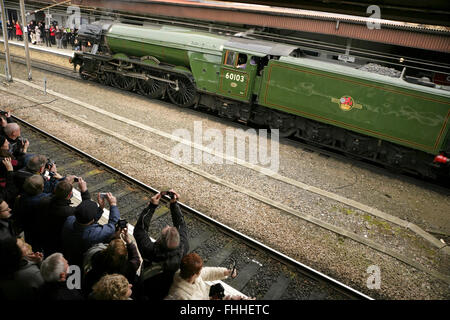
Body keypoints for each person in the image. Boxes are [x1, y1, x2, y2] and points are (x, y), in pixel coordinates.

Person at [133, 189, 189, 299]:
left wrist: (152, 206)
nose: (168, 226)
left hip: (146, 288)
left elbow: (140, 229)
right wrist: (174, 204)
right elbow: (181, 225)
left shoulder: (149, 250)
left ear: (159, 241)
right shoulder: (183, 248)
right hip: (166, 290)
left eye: (166, 229)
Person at [61, 192, 120, 266]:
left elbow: (87, 220)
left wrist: (100, 208)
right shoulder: (95, 234)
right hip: (82, 263)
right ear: (92, 219)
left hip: (68, 255)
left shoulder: (69, 220)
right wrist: (113, 205)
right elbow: (113, 225)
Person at [39, 176, 89, 257]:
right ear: (70, 195)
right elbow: (86, 209)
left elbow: (53, 195)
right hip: (57, 241)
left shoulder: (44, 200)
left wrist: (65, 184)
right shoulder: (69, 212)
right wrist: (84, 191)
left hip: (43, 233)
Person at [83, 230, 141, 297]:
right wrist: (129, 242)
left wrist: (115, 237)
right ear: (125, 256)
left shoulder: (96, 257)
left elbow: (110, 251)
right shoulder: (128, 268)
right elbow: (136, 259)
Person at [165, 252, 237, 300]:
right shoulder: (179, 296)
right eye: (200, 270)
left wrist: (226, 272)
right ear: (194, 275)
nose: (201, 271)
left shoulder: (186, 273)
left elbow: (208, 272)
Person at [14, 175, 52, 252]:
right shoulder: (45, 200)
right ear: (42, 187)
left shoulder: (22, 197)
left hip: (28, 227)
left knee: (31, 241)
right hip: (40, 229)